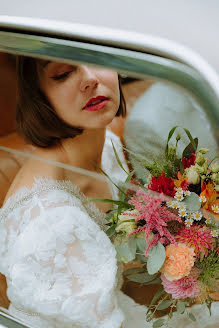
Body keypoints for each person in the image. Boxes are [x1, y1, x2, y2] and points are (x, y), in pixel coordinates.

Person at [0, 56, 148, 328]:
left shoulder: (107, 148)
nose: (91, 78)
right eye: (63, 74)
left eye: (97, 59)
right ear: (39, 97)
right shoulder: (54, 222)